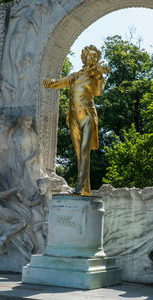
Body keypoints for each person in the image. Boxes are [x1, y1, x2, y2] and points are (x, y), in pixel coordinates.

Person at [43, 45, 110, 195]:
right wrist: (46, 82)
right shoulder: (74, 75)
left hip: (87, 116)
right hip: (73, 116)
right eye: (89, 56)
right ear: (84, 57)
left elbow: (98, 92)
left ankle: (79, 186)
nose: (91, 58)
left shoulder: (95, 75)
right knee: (79, 153)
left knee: (85, 151)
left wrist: (100, 75)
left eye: (94, 57)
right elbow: (59, 82)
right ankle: (85, 189)